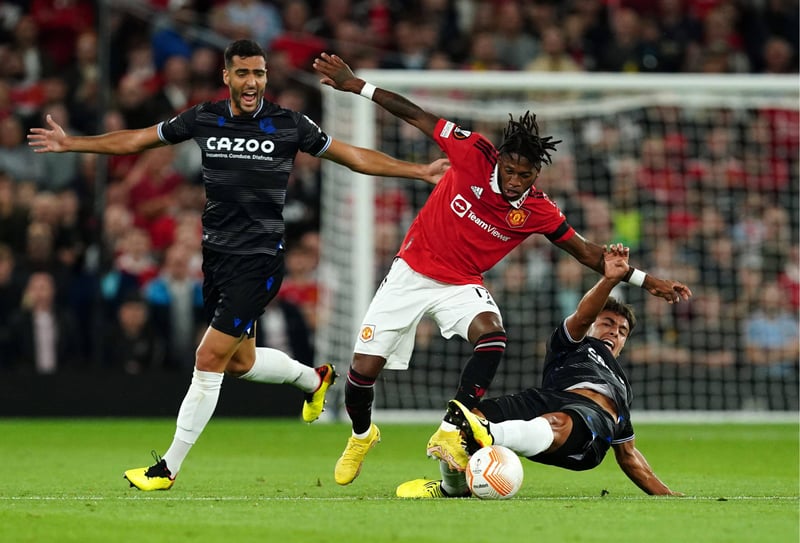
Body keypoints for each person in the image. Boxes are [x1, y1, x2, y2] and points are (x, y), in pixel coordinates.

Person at [28, 39, 447, 491]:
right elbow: (137, 139)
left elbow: (351, 156)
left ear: (266, 77)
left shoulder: (289, 124)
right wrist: (72, 143)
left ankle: (166, 468)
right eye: (243, 73)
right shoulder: (204, 117)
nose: (252, 83)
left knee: (208, 357)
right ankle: (315, 379)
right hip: (217, 260)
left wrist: (418, 171)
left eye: (259, 74)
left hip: (259, 261)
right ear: (226, 76)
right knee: (239, 362)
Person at [312, 52, 693, 486]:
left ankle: (454, 423)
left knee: (492, 334)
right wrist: (357, 85)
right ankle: (362, 435)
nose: (514, 181)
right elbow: (416, 115)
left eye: (524, 175)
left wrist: (647, 280)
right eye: (509, 171)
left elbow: (590, 255)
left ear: (536, 174)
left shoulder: (539, 209)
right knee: (362, 374)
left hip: (460, 284)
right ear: (498, 161)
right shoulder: (472, 150)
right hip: (409, 273)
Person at [395, 245, 684, 498]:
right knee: (464, 421)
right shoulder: (571, 342)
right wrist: (609, 281)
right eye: (607, 323)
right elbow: (583, 316)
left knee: (559, 421)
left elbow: (628, 455)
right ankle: (452, 488)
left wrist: (667, 494)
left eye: (622, 331)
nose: (615, 332)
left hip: (589, 429)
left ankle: (491, 434)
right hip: (549, 399)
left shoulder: (621, 384)